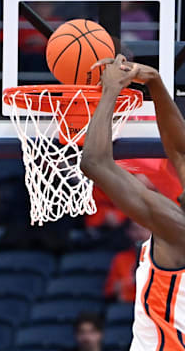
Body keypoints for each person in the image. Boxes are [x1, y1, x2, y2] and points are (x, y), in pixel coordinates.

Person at [80, 54, 185, 350]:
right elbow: (180, 152)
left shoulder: (178, 229)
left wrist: (111, 88)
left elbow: (95, 162)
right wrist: (155, 82)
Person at [104, 222, 151, 303]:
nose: (140, 234)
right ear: (129, 232)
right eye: (135, 229)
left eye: (144, 229)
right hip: (127, 307)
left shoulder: (163, 259)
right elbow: (111, 290)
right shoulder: (120, 259)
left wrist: (125, 285)